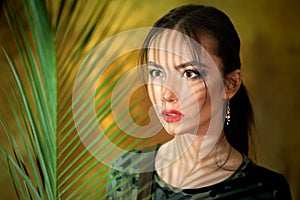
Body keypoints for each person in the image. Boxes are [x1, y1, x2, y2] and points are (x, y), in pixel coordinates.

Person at [106, 4, 292, 199]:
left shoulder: (266, 191)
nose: (166, 94)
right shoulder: (127, 173)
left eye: (189, 73)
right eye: (157, 73)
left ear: (230, 84)